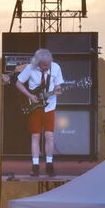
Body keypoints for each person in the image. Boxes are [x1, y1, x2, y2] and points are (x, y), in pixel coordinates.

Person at [14, 48, 65, 178]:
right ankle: (35, 166)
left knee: (49, 136)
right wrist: (30, 96)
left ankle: (49, 164)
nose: (46, 67)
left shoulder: (56, 68)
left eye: (48, 65)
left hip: (50, 106)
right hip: (34, 106)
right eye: (44, 65)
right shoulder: (30, 68)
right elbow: (18, 83)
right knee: (35, 137)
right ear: (37, 63)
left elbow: (58, 86)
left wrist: (57, 89)